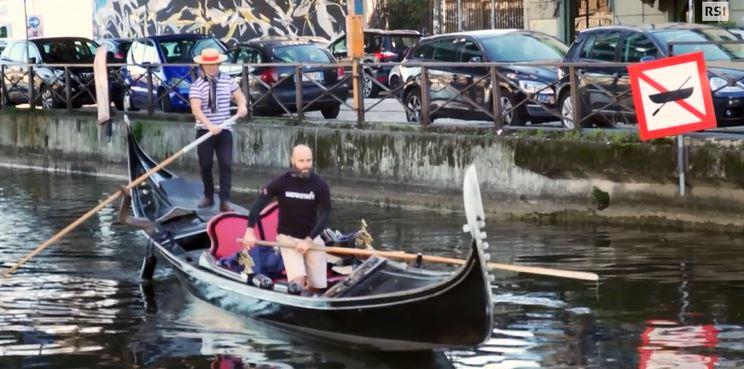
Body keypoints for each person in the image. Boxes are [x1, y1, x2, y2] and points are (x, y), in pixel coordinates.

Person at [241, 144, 331, 292]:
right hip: (287, 238)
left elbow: (326, 213)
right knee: (298, 281)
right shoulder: (281, 182)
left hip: (312, 238)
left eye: (309, 160)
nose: (306, 165)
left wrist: (309, 240)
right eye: (301, 161)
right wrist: (249, 231)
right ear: (292, 161)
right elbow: (258, 204)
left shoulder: (320, 185)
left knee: (318, 286)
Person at [190, 48, 247, 212]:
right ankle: (208, 196)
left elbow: (239, 96)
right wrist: (209, 126)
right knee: (205, 163)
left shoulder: (228, 81)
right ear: (202, 66)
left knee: (226, 164)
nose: (212, 68)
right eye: (209, 65)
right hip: (204, 130)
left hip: (225, 129)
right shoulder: (196, 86)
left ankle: (224, 201)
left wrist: (241, 106)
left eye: (215, 64)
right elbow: (196, 110)